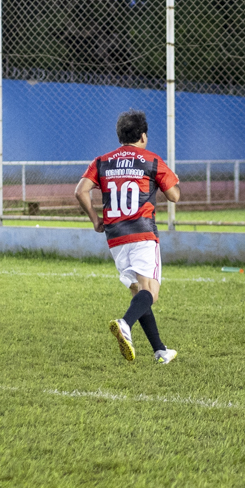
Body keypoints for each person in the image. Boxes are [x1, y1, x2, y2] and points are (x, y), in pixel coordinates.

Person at [75, 110, 182, 363]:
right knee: (151, 293)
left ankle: (160, 351)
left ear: (120, 136)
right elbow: (174, 196)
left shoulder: (102, 161)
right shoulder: (151, 160)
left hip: (115, 238)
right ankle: (125, 324)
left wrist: (95, 220)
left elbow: (80, 191)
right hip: (142, 232)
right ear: (143, 136)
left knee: (138, 293)